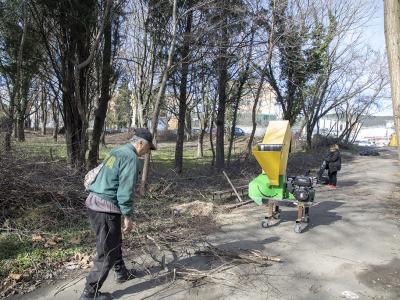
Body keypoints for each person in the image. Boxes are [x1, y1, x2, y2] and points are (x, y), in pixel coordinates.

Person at [80, 128, 156, 300]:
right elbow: (125, 191)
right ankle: (89, 293)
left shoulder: (117, 151)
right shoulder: (131, 158)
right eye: (148, 148)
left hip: (95, 203)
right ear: (140, 143)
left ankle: (121, 272)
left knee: (114, 241)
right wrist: (128, 216)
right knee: (107, 252)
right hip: (105, 208)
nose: (148, 152)